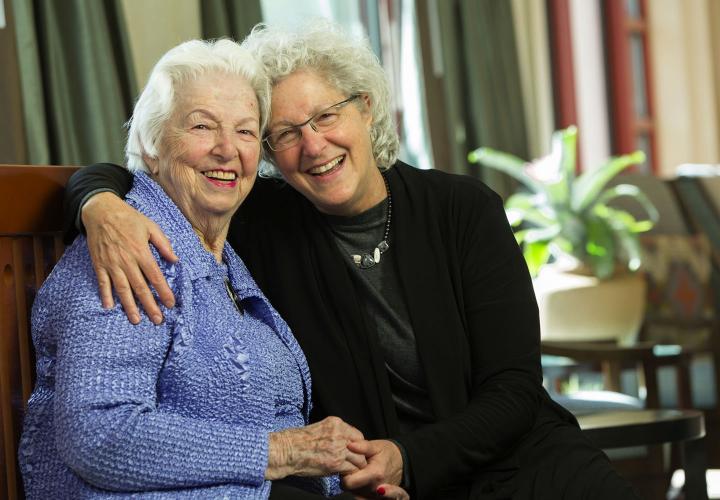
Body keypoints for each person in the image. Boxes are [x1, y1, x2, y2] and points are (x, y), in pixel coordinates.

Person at [65, 21, 639, 499]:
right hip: (373, 485)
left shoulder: (463, 209)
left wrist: (407, 457)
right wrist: (99, 203)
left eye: (325, 117)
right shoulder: (264, 220)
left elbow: (514, 389)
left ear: (365, 108)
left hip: (517, 459)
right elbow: (156, 167)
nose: (312, 146)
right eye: (283, 133)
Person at [20, 38, 409, 500]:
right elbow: (102, 436)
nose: (228, 150)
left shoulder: (226, 252)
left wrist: (340, 482)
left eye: (246, 132)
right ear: (150, 146)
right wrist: (281, 453)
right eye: (202, 126)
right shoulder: (127, 253)